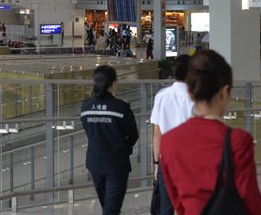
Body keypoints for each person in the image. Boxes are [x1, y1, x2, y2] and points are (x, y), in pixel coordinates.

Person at [160, 50, 261, 215]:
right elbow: (251, 201)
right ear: (224, 93)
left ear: (190, 93)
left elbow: (178, 204)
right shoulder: (237, 141)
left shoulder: (168, 141)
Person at [80, 65, 139, 215]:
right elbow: (133, 134)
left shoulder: (86, 107)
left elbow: (89, 131)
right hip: (116, 164)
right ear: (112, 84)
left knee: (107, 206)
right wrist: (124, 149)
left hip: (95, 164)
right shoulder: (120, 108)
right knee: (111, 209)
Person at [149, 55, 193, 215]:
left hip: (166, 160)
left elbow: (157, 134)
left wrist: (156, 163)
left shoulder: (161, 96)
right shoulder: (197, 98)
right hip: (190, 161)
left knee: (165, 207)